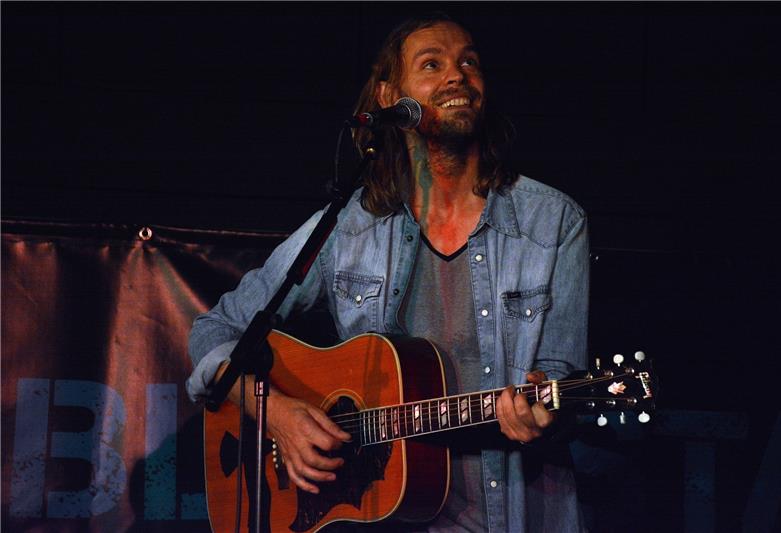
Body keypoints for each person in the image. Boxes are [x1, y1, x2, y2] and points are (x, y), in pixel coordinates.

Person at [187, 13, 588, 532]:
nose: (457, 76)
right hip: (375, 517)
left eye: (469, 62)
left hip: (511, 513)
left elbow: (560, 381)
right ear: (387, 95)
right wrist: (279, 415)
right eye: (432, 64)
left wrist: (545, 411)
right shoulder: (349, 226)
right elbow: (216, 331)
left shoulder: (552, 220)